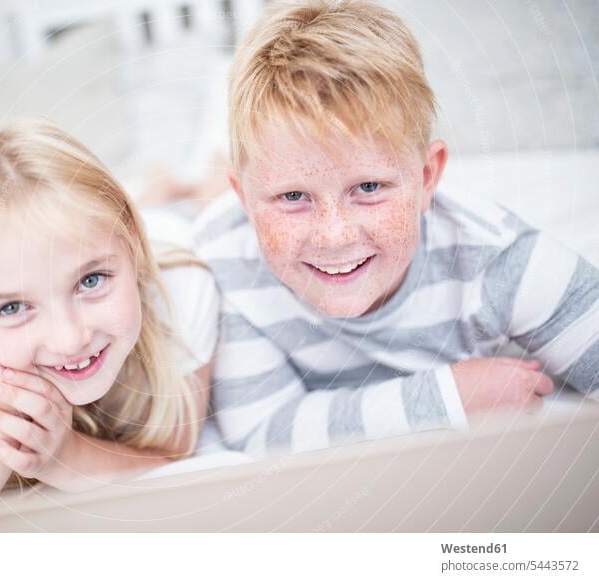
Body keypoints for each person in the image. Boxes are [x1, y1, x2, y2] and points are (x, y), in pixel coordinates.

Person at [193, 0, 599, 457]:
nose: (335, 235)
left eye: (368, 186)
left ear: (427, 178)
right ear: (243, 199)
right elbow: (263, 430)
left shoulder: (501, 263)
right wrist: (446, 398)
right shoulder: (223, 262)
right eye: (293, 197)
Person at [0, 120, 219, 531]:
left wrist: (64, 457)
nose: (70, 340)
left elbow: (174, 453)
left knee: (210, 202)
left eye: (91, 280)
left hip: (162, 230)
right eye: (13, 308)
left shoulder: (182, 288)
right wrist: (9, 424)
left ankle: (172, 185)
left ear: (134, 247)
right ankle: (154, 189)